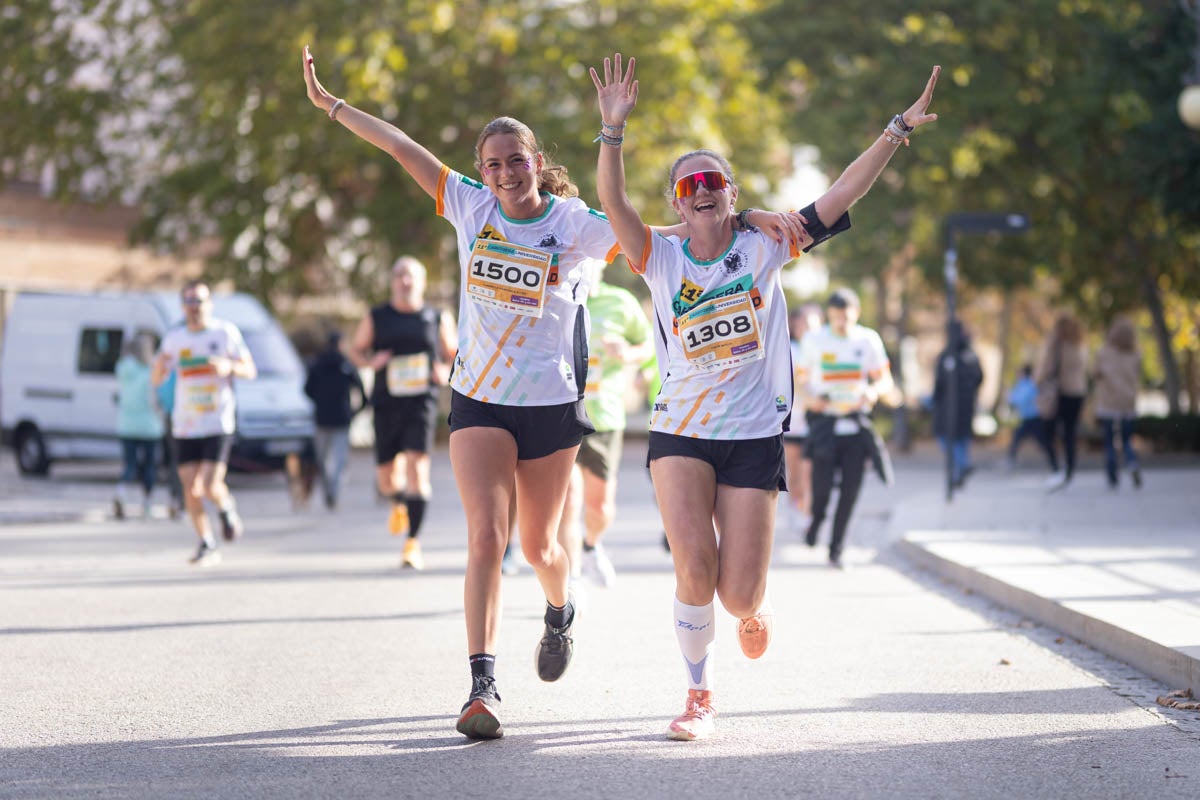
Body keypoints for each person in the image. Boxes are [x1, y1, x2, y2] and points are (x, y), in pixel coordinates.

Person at [304, 46, 805, 740]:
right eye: (493, 163)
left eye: (517, 159)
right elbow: (398, 145)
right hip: (478, 398)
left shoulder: (571, 222)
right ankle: (482, 686)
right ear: (482, 173)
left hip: (549, 406)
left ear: (538, 163)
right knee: (487, 534)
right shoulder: (469, 206)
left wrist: (744, 218)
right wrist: (333, 106)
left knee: (541, 547)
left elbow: (666, 236)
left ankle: (559, 609)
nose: (506, 173)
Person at [592, 52, 939, 741]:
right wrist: (612, 131)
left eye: (713, 180)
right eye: (688, 184)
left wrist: (896, 129)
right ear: (676, 200)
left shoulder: (766, 244)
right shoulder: (656, 257)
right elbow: (614, 206)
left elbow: (840, 195)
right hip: (679, 434)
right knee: (693, 564)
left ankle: (755, 606)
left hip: (753, 436)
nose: (701, 190)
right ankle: (698, 696)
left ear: (731, 189)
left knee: (737, 592)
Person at [348, 255, 455, 572]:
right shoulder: (377, 316)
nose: (405, 281)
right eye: (399, 275)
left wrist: (444, 370)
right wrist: (370, 363)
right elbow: (356, 350)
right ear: (393, 282)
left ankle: (412, 543)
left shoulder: (436, 317)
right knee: (386, 478)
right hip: (386, 403)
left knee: (418, 470)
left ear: (422, 283)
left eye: (411, 276)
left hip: (420, 403)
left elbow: (454, 356)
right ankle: (397, 502)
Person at [555, 259, 654, 590]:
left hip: (606, 415)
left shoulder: (621, 302)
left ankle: (590, 546)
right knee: (569, 501)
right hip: (562, 412)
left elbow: (648, 344)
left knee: (601, 508)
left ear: (600, 263)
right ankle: (571, 583)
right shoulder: (558, 296)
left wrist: (627, 353)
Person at [152, 280, 257, 565]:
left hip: (216, 421)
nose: (194, 307)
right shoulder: (175, 339)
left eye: (199, 300)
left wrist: (228, 367)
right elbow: (157, 375)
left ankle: (225, 506)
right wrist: (160, 367)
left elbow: (250, 369)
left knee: (211, 484)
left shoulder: (225, 333)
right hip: (185, 423)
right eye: (189, 301)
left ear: (209, 303)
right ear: (182, 306)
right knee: (191, 488)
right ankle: (206, 541)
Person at [798, 288, 896, 568]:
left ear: (857, 313)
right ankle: (816, 521)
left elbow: (885, 380)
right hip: (825, 426)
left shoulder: (868, 340)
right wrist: (811, 400)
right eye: (837, 316)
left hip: (856, 426)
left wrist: (874, 392)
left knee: (851, 491)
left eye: (847, 316)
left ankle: (837, 549)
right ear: (830, 315)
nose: (842, 322)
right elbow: (801, 380)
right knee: (822, 491)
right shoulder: (814, 340)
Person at [304, 330, 368, 510]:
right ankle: (334, 490)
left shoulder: (317, 363)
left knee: (322, 460)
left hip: (322, 418)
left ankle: (329, 490)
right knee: (340, 460)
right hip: (341, 418)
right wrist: (355, 411)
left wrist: (319, 402)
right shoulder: (345, 364)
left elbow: (307, 389)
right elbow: (362, 392)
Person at [114, 332, 165, 519]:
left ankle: (121, 492)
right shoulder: (150, 373)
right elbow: (154, 401)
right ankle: (147, 503)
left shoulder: (123, 370)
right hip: (149, 426)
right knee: (149, 466)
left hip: (126, 425)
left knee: (130, 465)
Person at [1035, 312, 1088, 491]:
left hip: (1059, 393)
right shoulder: (1080, 344)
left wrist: (1038, 381)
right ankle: (1069, 468)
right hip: (1077, 392)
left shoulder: (1056, 344)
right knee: (1069, 433)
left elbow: (1046, 367)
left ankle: (1056, 468)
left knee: (1047, 431)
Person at [782, 304, 823, 532]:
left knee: (811, 472)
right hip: (792, 422)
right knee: (794, 472)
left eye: (811, 323)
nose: (805, 328)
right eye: (802, 323)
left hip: (816, 422)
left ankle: (808, 512)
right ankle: (796, 506)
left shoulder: (825, 350)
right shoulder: (788, 349)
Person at [932, 320, 983, 489]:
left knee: (948, 439)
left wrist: (936, 399)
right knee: (961, 439)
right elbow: (980, 377)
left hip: (950, 406)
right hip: (966, 405)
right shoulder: (969, 355)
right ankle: (959, 470)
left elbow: (939, 383)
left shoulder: (947, 355)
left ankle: (962, 466)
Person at [1093, 316, 1143, 489]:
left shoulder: (1103, 353)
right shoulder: (1136, 354)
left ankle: (1112, 476)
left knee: (1109, 440)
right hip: (1128, 402)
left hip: (1108, 402)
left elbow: (1096, 374)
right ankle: (1132, 463)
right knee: (1127, 440)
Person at [1006, 364, 1052, 469]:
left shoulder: (1029, 385)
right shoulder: (1021, 384)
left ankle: (1052, 459)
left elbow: (1021, 399)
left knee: (1042, 440)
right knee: (1017, 438)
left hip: (1033, 418)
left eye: (1020, 372)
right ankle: (1010, 458)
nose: (1018, 374)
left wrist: (1011, 397)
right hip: (1026, 418)